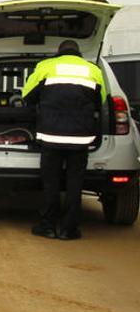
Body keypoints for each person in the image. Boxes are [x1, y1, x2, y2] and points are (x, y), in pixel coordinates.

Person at [22, 39, 107, 240]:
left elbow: (27, 96)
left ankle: (48, 226)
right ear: (78, 53)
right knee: (75, 183)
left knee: (51, 182)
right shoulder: (92, 70)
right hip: (80, 138)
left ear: (58, 52)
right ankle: (69, 229)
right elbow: (100, 101)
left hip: (51, 136)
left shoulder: (46, 67)